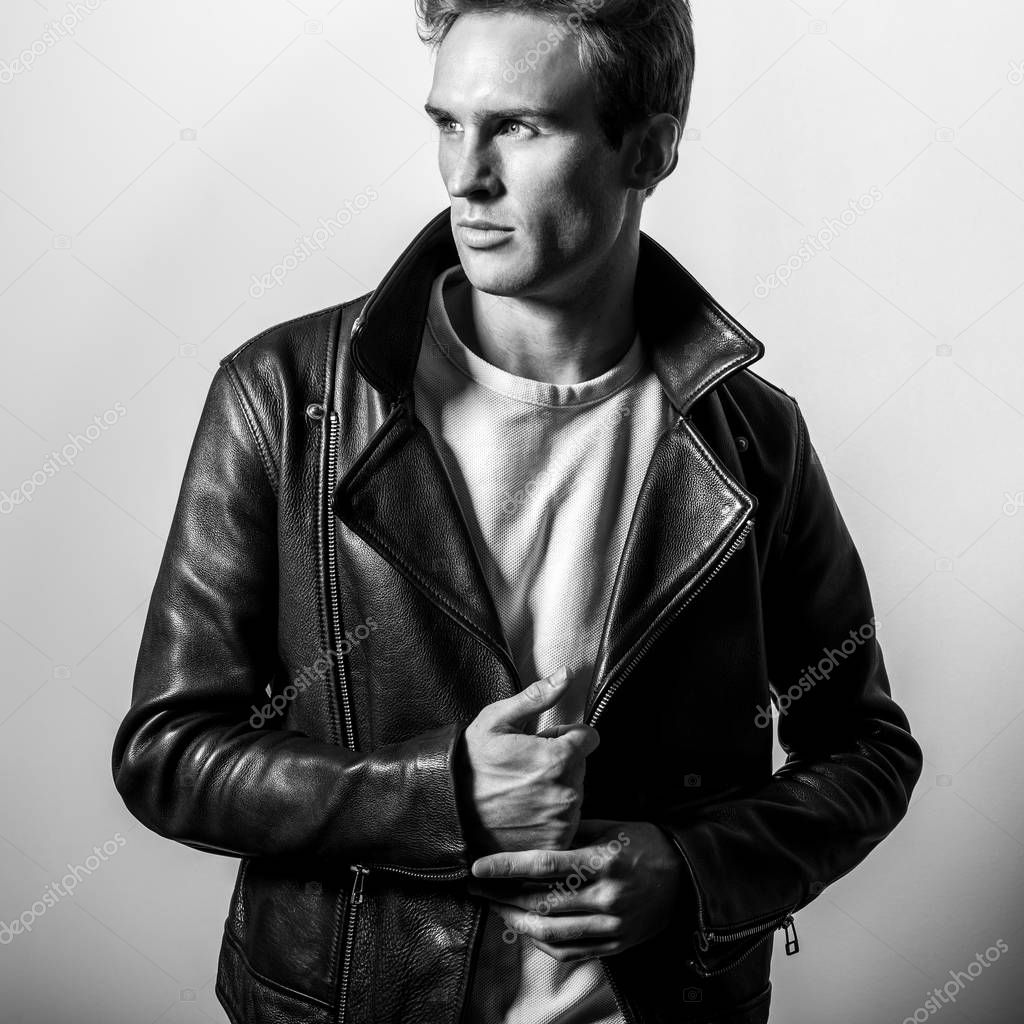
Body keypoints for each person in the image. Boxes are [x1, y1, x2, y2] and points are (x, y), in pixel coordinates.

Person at [111, 2, 923, 1022]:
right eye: (448, 123)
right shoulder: (286, 399)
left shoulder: (749, 440)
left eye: (519, 128)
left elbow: (863, 749)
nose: (464, 174)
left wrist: (691, 868)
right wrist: (441, 792)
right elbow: (169, 753)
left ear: (649, 149)